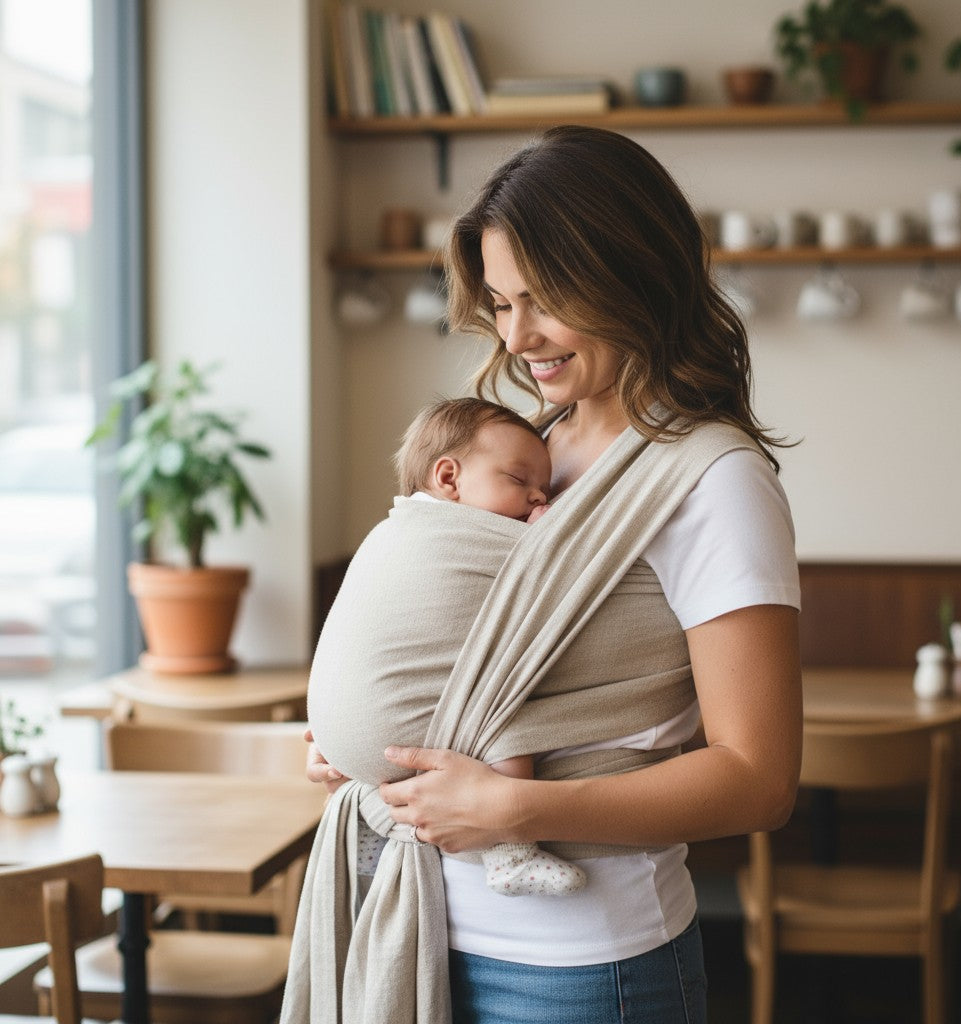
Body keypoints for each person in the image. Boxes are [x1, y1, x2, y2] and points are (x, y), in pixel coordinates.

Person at [298, 125, 803, 1024]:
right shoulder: (528, 450)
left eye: (544, 299)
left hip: (579, 968)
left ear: (630, 276)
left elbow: (758, 777)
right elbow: (456, 646)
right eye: (499, 303)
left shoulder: (712, 480)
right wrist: (369, 737)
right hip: (415, 928)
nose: (517, 335)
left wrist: (514, 809)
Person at [313, 394, 587, 897]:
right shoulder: (455, 537)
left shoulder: (389, 532)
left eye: (544, 490)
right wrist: (544, 538)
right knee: (505, 709)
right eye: (518, 480)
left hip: (339, 739)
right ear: (448, 479)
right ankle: (509, 853)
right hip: (391, 728)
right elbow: (551, 573)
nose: (539, 501)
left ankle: (372, 845)